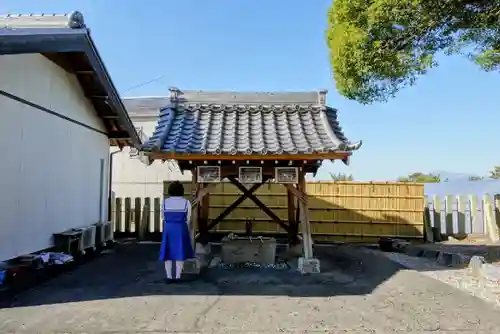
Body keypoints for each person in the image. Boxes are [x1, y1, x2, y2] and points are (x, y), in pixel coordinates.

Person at [159, 181, 194, 282]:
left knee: (168, 253)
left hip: (169, 228)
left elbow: (162, 217)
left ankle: (169, 277)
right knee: (180, 251)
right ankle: (178, 276)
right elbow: (188, 218)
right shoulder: (186, 203)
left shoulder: (165, 202)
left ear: (170, 190)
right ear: (182, 190)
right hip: (181, 228)